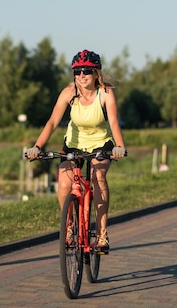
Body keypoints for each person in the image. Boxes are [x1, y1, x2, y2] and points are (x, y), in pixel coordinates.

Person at [26, 49, 126, 252]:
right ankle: (69, 227)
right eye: (78, 71)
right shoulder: (68, 93)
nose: (81, 76)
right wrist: (37, 147)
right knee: (64, 182)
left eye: (86, 71)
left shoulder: (105, 93)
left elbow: (114, 122)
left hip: (100, 144)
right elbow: (53, 122)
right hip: (73, 144)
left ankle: (101, 234)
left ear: (96, 73)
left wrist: (119, 146)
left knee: (98, 178)